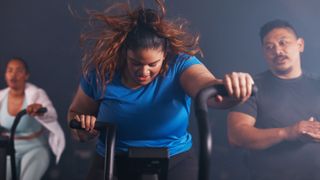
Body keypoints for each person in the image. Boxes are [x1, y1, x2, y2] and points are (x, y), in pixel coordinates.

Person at [68, 0, 254, 180]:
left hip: (175, 158)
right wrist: (83, 129)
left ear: (165, 55)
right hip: (112, 159)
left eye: (152, 64)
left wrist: (231, 87)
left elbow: (209, 91)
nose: (143, 71)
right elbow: (76, 114)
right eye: (136, 63)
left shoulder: (181, 64)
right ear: (124, 53)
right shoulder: (102, 73)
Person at [227, 19, 320, 180]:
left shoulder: (317, 84)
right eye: (269, 47)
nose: (277, 51)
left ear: (300, 45)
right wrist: (287, 132)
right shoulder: (251, 87)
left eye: (283, 43)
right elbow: (236, 135)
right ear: (264, 53)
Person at [0, 57, 65, 180]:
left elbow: (51, 114)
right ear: (5, 74)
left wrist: (40, 110)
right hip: (8, 150)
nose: (13, 74)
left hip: (34, 148)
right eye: (10, 70)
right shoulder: (1, 97)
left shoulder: (36, 94)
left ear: (26, 75)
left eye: (19, 71)